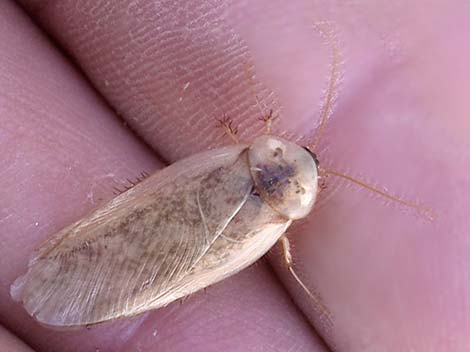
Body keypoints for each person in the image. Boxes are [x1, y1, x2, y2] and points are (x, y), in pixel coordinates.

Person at [0, 1, 467, 351]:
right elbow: (283, 260)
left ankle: (64, 288)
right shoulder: (278, 227)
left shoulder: (250, 155)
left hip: (201, 189)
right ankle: (63, 287)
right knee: (154, 253)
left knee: (139, 218)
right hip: (225, 219)